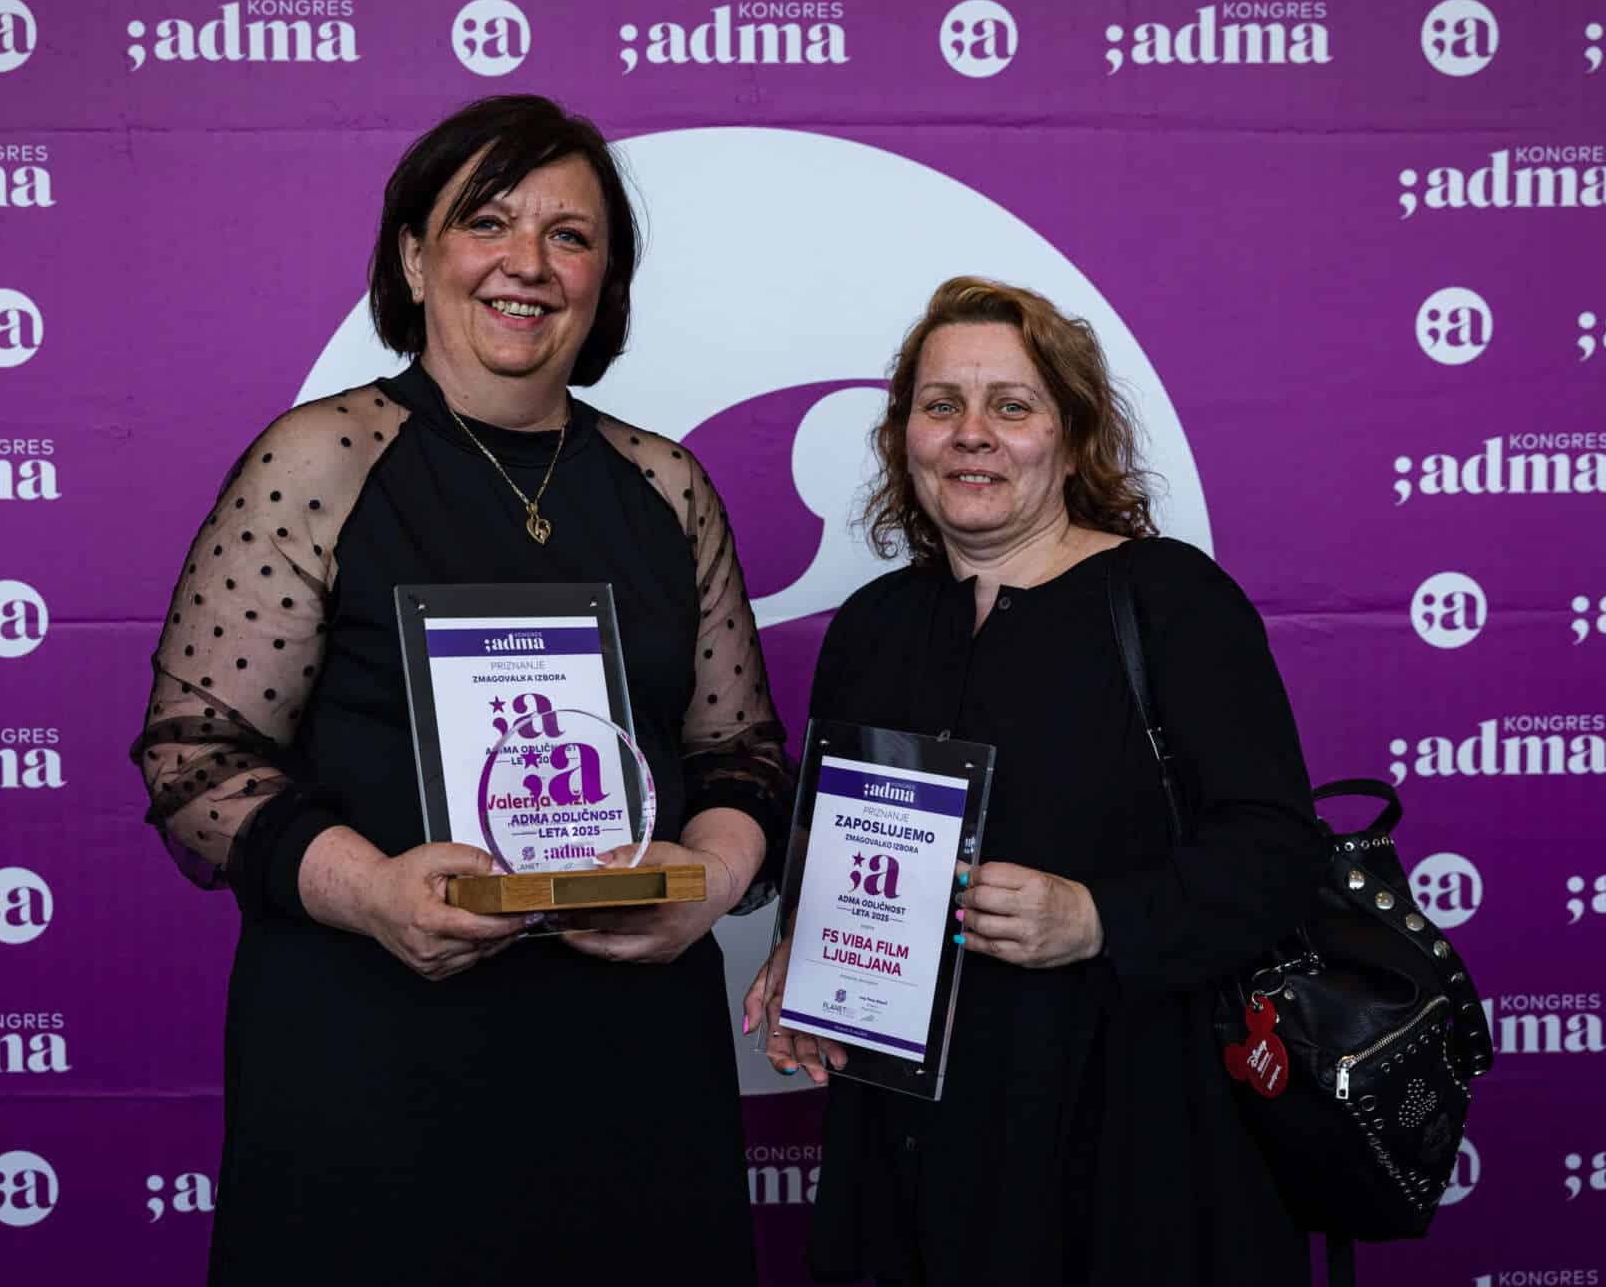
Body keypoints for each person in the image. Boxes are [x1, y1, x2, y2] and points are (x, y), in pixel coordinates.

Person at [129, 94, 791, 1286]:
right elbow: (196, 755)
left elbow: (740, 753)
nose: (525, 262)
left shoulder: (665, 485)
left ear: (603, 280)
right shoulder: (320, 459)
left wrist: (708, 882)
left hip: (629, 1053)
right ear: (411, 255)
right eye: (486, 221)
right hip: (371, 1050)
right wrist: (373, 889)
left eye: (569, 235)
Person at [743, 276, 1322, 1285]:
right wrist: (805, 947)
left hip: (1129, 1143)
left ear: (1072, 434)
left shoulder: (1170, 602)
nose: (971, 434)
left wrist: (1098, 917)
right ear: (903, 436)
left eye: (1010, 406)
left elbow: (1275, 851)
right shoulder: (874, 627)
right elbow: (832, 843)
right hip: (910, 1149)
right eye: (941, 405)